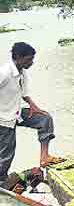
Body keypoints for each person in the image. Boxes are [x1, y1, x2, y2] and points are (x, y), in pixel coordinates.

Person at [0, 42, 62, 186]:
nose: (32, 63)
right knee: (6, 155)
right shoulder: (4, 73)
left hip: (16, 112)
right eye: (29, 60)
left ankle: (44, 157)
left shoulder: (22, 72)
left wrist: (33, 105)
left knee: (44, 119)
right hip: (3, 118)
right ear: (19, 58)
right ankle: (2, 182)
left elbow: (24, 92)